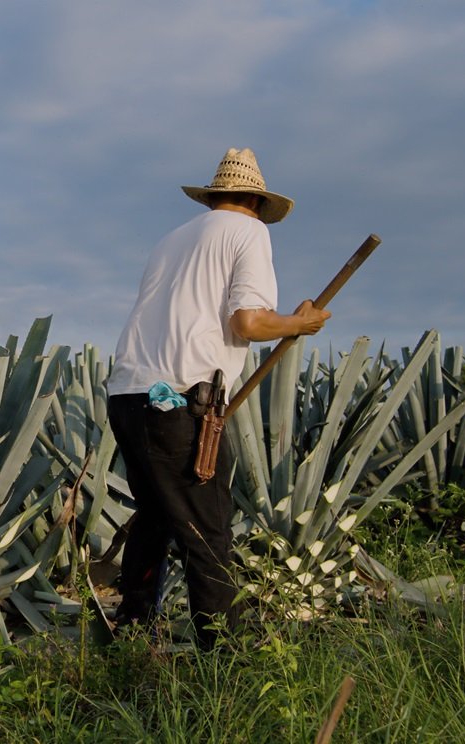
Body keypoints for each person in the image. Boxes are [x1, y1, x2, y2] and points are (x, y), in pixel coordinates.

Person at [106, 147, 330, 648]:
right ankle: (223, 659)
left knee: (157, 516)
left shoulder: (172, 240)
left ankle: (133, 633)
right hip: (181, 400)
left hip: (127, 394)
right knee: (207, 532)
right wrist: (301, 323)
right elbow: (247, 322)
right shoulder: (249, 232)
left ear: (214, 197)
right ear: (255, 199)